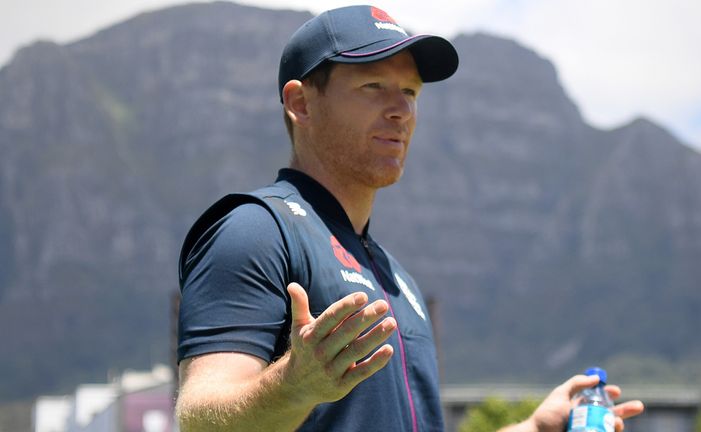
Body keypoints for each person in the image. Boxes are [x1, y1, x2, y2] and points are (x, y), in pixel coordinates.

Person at [174, 5, 644, 431]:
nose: (401, 111)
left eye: (411, 92)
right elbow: (199, 419)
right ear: (300, 103)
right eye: (373, 87)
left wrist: (535, 429)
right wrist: (294, 386)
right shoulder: (253, 230)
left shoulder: (397, 279)